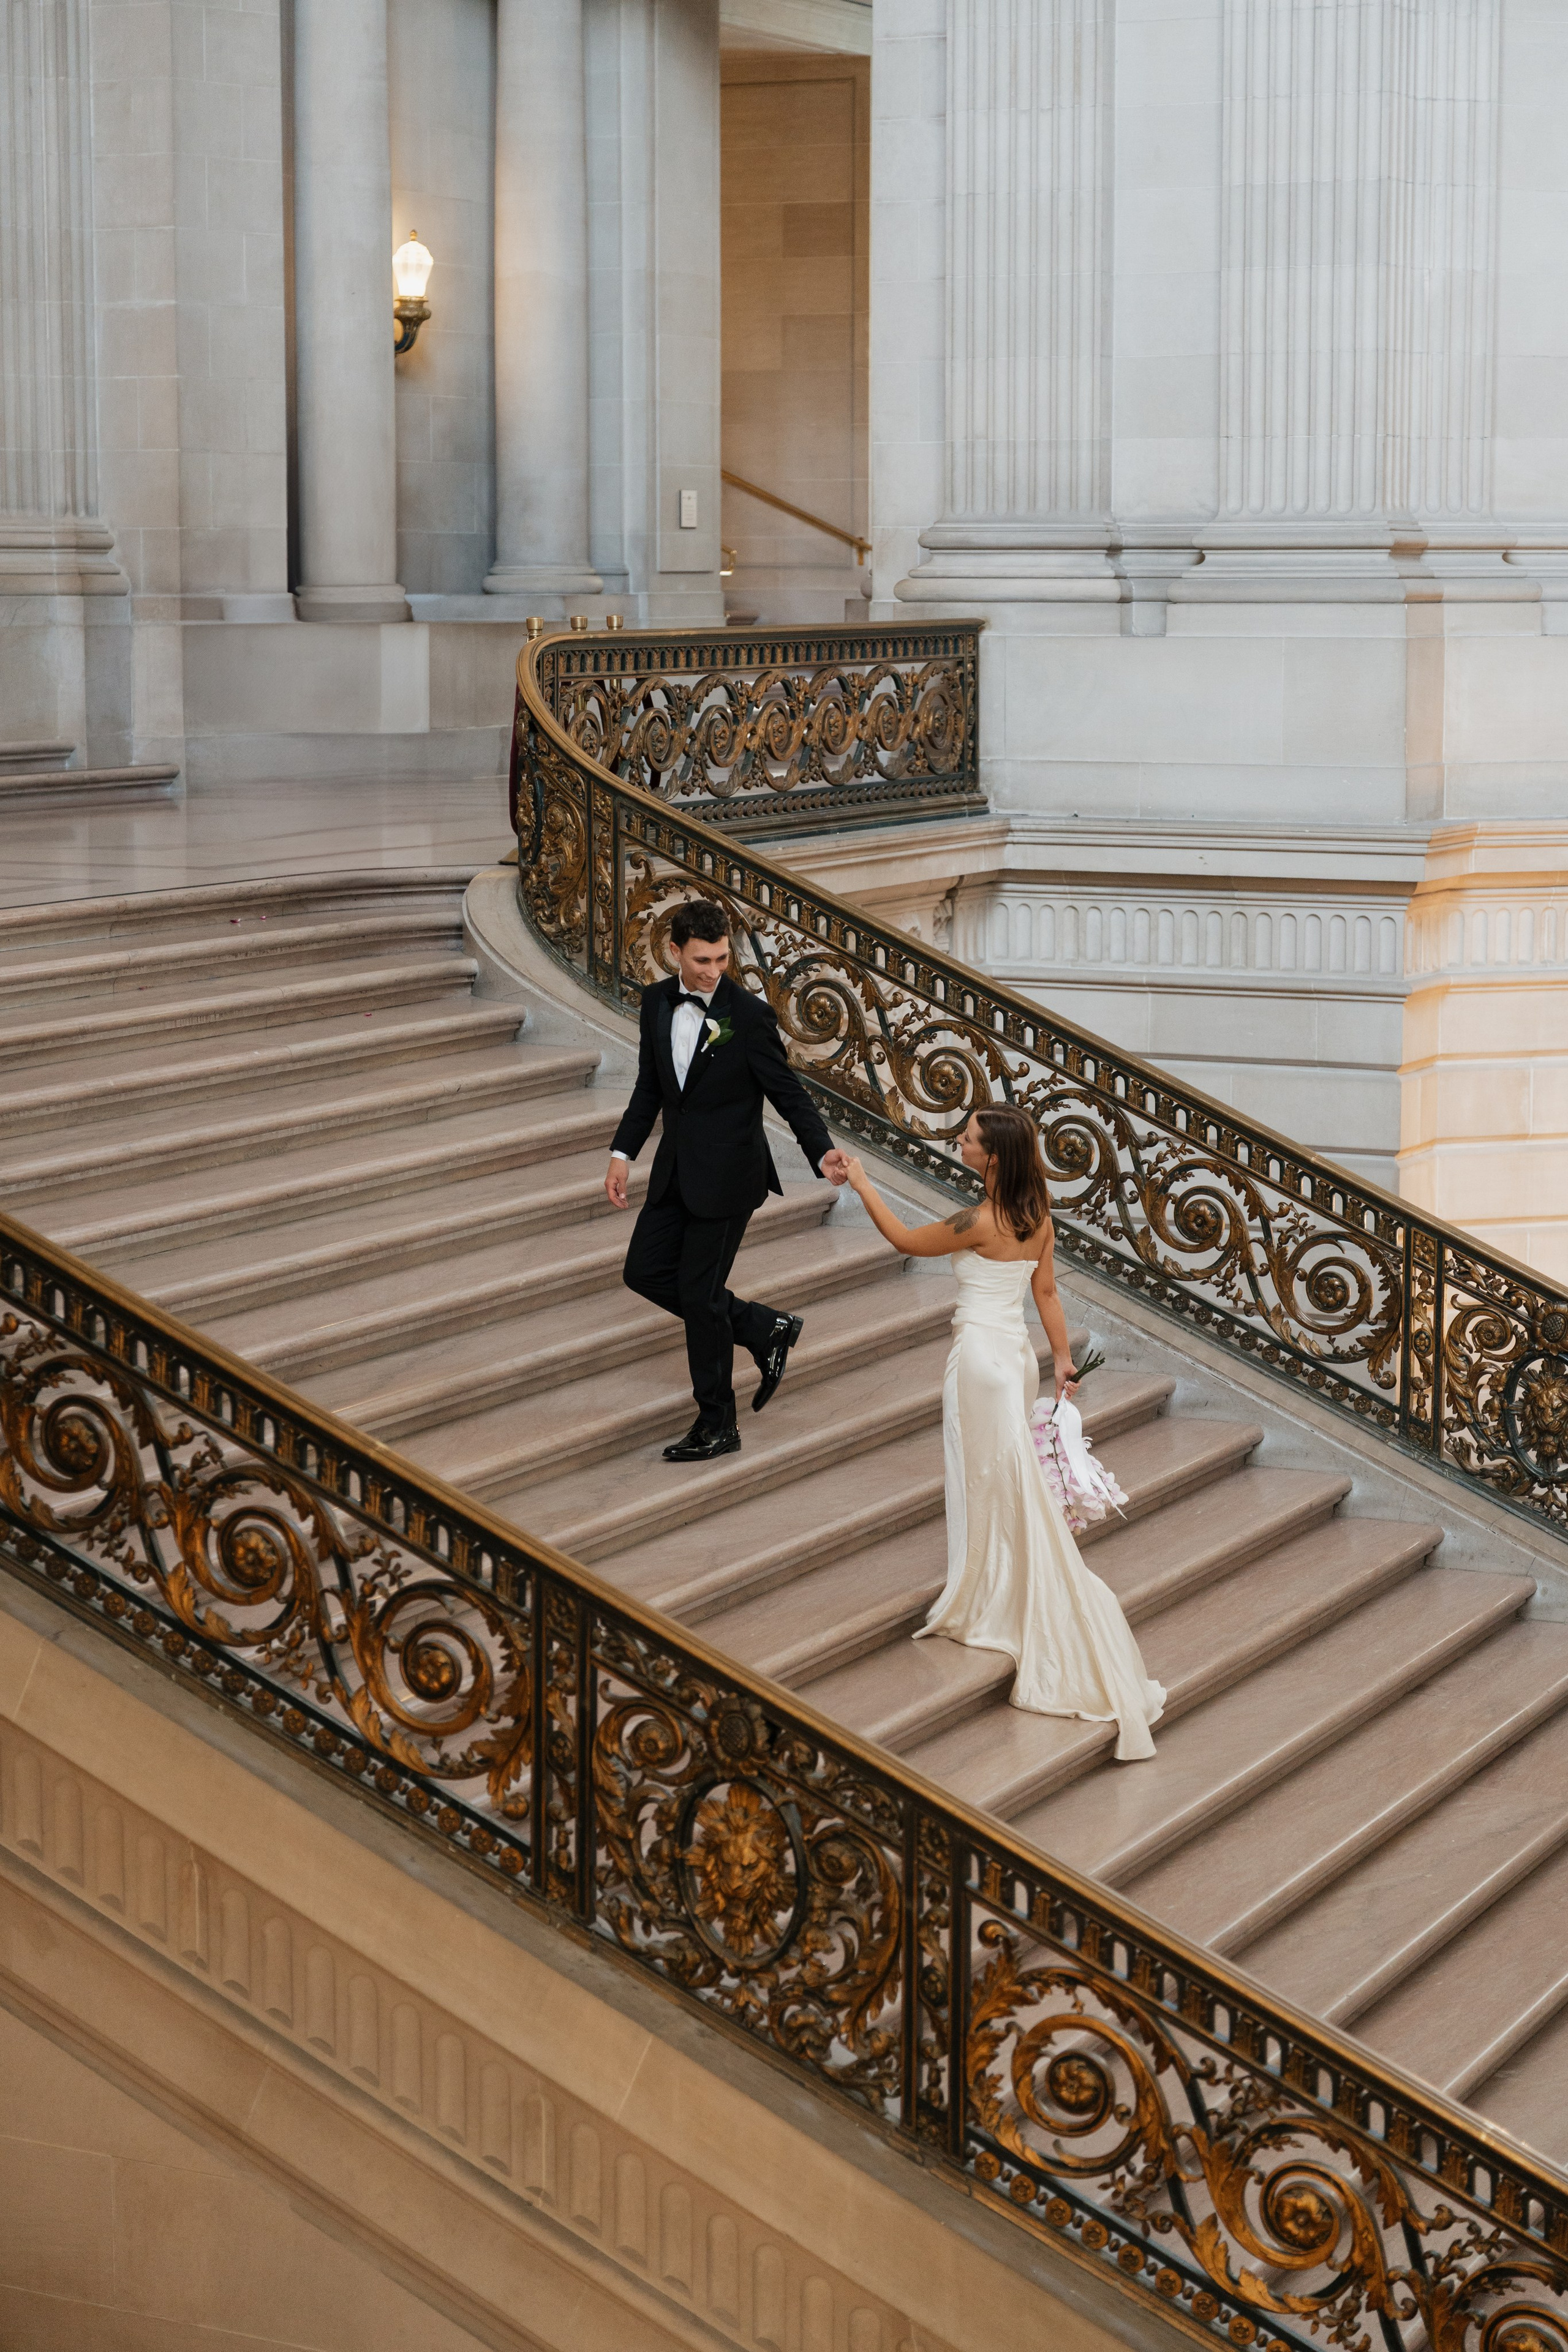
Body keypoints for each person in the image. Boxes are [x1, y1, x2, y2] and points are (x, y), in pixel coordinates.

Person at [842, 1105, 1163, 1761]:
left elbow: (905, 1241)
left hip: (981, 1362)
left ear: (993, 1156)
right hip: (1016, 1357)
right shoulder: (1035, 1215)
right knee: (1006, 1476)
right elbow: (1045, 1293)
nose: (957, 1144)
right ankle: (999, 1581)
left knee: (984, 1475)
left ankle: (988, 1592)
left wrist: (864, 1182)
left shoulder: (979, 1221)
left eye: (967, 1140)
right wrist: (1062, 1357)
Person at [605, 900, 852, 1461]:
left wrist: (822, 1151)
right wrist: (623, 1153)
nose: (713, 971)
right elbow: (651, 1085)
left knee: (698, 1296)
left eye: (721, 959)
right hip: (675, 1170)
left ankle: (718, 1423)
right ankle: (765, 1327)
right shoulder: (655, 1004)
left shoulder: (749, 1015)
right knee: (643, 1271)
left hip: (730, 1177)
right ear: (674, 952)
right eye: (701, 960)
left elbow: (787, 1094)